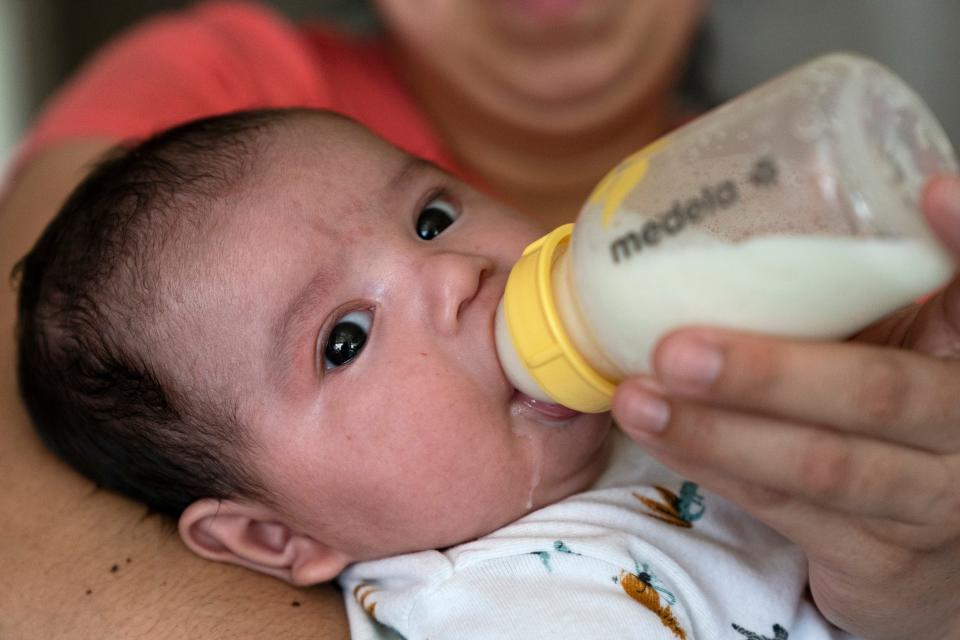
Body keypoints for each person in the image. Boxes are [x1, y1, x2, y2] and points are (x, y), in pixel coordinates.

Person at [0, 1, 958, 638]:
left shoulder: (705, 366)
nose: (455, 274)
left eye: (432, 216)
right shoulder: (492, 608)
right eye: (345, 339)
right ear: (273, 543)